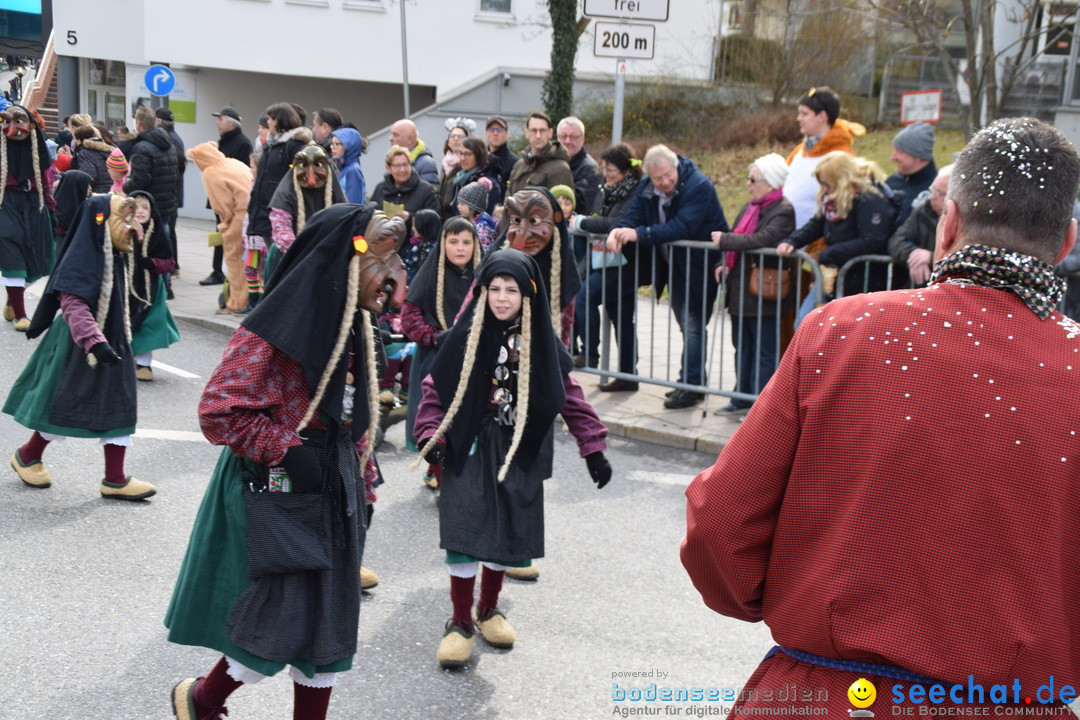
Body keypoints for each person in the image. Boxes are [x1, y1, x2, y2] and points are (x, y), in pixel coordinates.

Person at [681, 115, 1080, 716]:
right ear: (1067, 243)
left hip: (829, 696)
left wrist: (784, 600)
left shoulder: (843, 332)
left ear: (949, 225)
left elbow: (722, 525)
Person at [165, 205, 407, 720]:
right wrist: (286, 448)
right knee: (276, 620)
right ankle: (203, 701)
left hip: (335, 483)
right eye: (378, 259)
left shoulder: (359, 325)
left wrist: (363, 480)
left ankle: (202, 702)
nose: (389, 277)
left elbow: (353, 418)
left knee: (329, 628)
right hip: (281, 486)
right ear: (340, 258)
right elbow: (218, 410)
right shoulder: (276, 328)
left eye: (394, 260)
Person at [414, 248, 611, 669]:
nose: (502, 298)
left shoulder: (541, 343)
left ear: (528, 295)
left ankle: (489, 609)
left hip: (519, 446)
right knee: (464, 533)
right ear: (483, 292)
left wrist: (592, 447)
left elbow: (569, 396)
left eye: (512, 290)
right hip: (468, 442)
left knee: (506, 531)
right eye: (495, 289)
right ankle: (459, 621)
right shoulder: (465, 335)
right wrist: (429, 434)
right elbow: (435, 389)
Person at [5, 194, 156, 500]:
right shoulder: (83, 255)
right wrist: (94, 343)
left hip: (111, 338)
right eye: (122, 221)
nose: (129, 228)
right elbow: (74, 306)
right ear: (101, 224)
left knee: (120, 402)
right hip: (80, 341)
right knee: (63, 406)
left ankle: (114, 479)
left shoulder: (115, 254)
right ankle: (27, 456)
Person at [608, 144, 729, 409]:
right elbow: (633, 215)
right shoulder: (646, 187)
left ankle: (689, 384)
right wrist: (617, 231)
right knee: (686, 325)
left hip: (701, 265)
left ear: (675, 167)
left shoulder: (698, 185)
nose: (663, 183)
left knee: (693, 323)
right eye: (657, 179)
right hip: (673, 266)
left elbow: (682, 226)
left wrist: (639, 234)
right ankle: (693, 381)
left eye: (667, 176)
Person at [710, 153, 796, 414]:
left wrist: (725, 241)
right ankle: (741, 397)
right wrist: (722, 263)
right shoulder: (751, 206)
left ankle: (763, 404)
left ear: (769, 182)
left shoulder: (783, 210)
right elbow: (739, 237)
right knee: (742, 347)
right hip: (740, 291)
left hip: (764, 292)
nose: (747, 183)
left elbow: (763, 239)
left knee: (764, 351)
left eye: (752, 179)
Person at [777, 151, 896, 329]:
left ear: (841, 179)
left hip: (860, 281)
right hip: (833, 277)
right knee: (805, 323)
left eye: (827, 184)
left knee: (830, 331)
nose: (824, 189)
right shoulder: (833, 202)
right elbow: (816, 224)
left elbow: (873, 240)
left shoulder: (870, 199)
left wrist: (830, 253)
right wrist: (792, 241)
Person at [401, 215, 482, 471]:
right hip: (436, 359)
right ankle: (439, 474)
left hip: (472, 359)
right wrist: (436, 338)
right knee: (437, 419)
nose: (460, 248)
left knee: (466, 422)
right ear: (442, 244)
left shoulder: (482, 278)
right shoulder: (430, 275)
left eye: (467, 242)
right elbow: (409, 319)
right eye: (454, 241)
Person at [568, 142, 644, 391]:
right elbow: (602, 218)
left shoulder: (634, 192)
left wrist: (583, 223)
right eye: (604, 168)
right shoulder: (607, 189)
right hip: (606, 261)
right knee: (622, 319)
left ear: (625, 171)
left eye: (611, 169)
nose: (606, 173)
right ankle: (628, 375)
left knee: (585, 296)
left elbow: (615, 222)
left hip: (625, 264)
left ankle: (591, 353)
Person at [243, 102, 312, 312]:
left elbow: (298, 181)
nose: (268, 123)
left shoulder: (293, 146)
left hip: (281, 216)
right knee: (271, 263)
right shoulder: (273, 145)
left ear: (279, 121)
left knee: (282, 262)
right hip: (265, 214)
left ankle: (281, 307)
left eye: (271, 119)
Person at [0, 104, 56, 331]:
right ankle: (21, 315)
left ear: (31, 126)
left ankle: (14, 296)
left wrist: (52, 211)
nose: (13, 128)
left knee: (40, 261)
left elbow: (47, 183)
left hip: (35, 206)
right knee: (12, 257)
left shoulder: (40, 151)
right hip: (6, 205)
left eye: (19, 122)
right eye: (7, 122)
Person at [784, 86, 864, 229]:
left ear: (822, 116)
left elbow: (846, 206)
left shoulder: (842, 157)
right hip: (788, 240)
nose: (799, 118)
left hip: (815, 244)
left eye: (804, 114)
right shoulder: (798, 152)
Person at [188, 141, 253, 314]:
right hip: (253, 214)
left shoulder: (210, 172)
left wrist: (225, 226)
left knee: (236, 264)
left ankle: (238, 302)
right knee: (251, 263)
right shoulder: (233, 162)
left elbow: (222, 207)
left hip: (238, 218)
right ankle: (249, 299)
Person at [122, 191, 180, 381]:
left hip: (150, 288)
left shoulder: (157, 233)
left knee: (149, 325)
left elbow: (169, 262)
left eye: (145, 208)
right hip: (125, 285)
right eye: (136, 207)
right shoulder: (120, 229)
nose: (141, 211)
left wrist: (153, 264)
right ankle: (123, 356)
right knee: (125, 321)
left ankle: (144, 364)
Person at [266, 143, 346, 278]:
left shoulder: (335, 194)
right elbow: (282, 231)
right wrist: (304, 256)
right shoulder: (285, 193)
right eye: (304, 166)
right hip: (290, 262)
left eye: (318, 166)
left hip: (328, 262)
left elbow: (345, 226)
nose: (311, 180)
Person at [201, 106, 253, 287]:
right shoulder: (224, 141)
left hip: (231, 200)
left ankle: (222, 272)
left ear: (231, 122)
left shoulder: (242, 143)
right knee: (220, 234)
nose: (217, 122)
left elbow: (241, 174)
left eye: (220, 119)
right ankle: (218, 270)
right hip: (219, 197)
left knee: (227, 236)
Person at [123, 106, 179, 267]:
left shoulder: (142, 147)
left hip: (150, 205)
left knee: (150, 248)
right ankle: (166, 282)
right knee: (165, 244)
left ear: (139, 125)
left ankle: (156, 282)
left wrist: (126, 187)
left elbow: (141, 179)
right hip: (167, 203)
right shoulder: (169, 144)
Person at [887, 164, 952, 287]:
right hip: (923, 288)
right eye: (932, 190)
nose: (932, 196)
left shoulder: (969, 220)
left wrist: (931, 257)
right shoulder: (923, 211)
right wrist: (914, 254)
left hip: (952, 291)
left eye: (939, 193)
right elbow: (896, 240)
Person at [368, 145, 440, 236]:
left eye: (405, 164)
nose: (402, 170)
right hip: (385, 244)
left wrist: (410, 217)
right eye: (397, 166)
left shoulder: (425, 189)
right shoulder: (380, 188)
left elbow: (434, 221)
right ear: (388, 168)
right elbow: (371, 217)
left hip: (412, 244)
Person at [506, 111, 573, 196]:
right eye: (534, 130)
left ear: (550, 133)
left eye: (542, 131)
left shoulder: (560, 169)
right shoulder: (519, 165)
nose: (538, 136)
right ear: (526, 133)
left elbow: (562, 206)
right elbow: (508, 199)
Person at [886, 121, 937, 227]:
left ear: (918, 156)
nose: (892, 157)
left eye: (899, 152)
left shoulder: (938, 189)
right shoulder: (891, 183)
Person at [155, 107, 187, 265]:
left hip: (169, 193)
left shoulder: (167, 139)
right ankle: (174, 263)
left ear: (159, 121)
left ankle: (171, 263)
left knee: (168, 229)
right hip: (173, 192)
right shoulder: (175, 137)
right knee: (171, 229)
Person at [440, 135, 500, 218]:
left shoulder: (487, 183)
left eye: (467, 154)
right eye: (460, 153)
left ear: (479, 155)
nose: (462, 158)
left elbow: (488, 215)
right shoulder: (458, 178)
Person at [557, 116, 600, 214]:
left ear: (582, 138)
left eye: (573, 137)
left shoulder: (590, 169)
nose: (567, 141)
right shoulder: (549, 163)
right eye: (563, 136)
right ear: (557, 138)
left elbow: (583, 207)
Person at [389, 118, 438, 186]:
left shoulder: (426, 163)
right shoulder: (393, 159)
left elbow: (429, 194)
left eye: (396, 135)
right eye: (391, 134)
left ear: (410, 138)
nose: (390, 138)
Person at [455, 179, 497, 253]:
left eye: (462, 204)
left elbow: (484, 252)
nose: (458, 206)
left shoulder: (482, 229)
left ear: (473, 207)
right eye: (458, 203)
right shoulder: (472, 222)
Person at [70, 124, 113, 193]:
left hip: (96, 193)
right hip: (113, 191)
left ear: (79, 140)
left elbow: (88, 175)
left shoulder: (84, 153)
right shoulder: (108, 149)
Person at [329, 127, 366, 204]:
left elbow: (352, 206)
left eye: (336, 144)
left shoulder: (353, 171)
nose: (332, 147)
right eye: (332, 143)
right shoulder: (340, 168)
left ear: (348, 146)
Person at [485, 114, 514, 192]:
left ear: (507, 134)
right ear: (486, 134)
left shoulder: (515, 162)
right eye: (491, 130)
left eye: (500, 129)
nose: (495, 133)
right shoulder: (479, 159)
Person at [440, 117, 475, 182]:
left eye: (460, 136)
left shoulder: (469, 164)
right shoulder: (445, 162)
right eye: (452, 136)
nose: (456, 139)